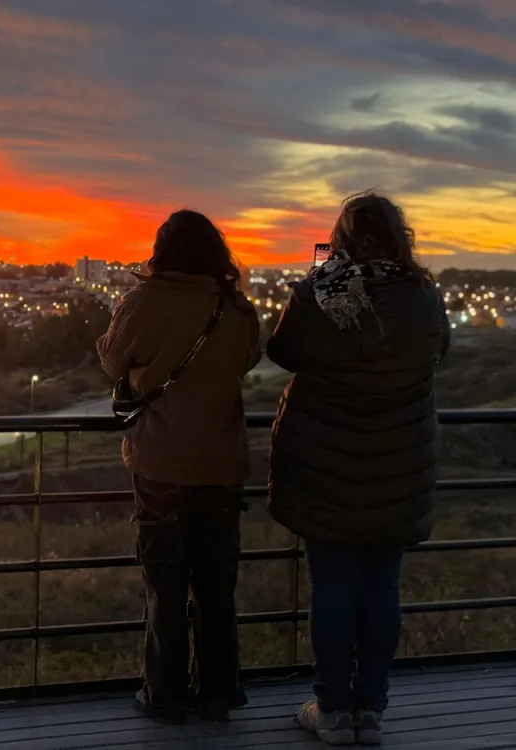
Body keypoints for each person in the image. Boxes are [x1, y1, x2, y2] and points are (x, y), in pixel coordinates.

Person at [267, 192, 450, 746]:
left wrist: (323, 274)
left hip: (326, 466)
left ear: (339, 240)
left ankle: (333, 709)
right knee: (382, 588)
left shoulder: (319, 292)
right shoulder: (423, 296)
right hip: (398, 466)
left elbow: (281, 350)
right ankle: (371, 710)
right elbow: (438, 351)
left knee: (333, 585)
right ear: (402, 237)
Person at [97, 209, 261, 723]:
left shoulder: (142, 302)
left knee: (165, 584)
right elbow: (249, 359)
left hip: (161, 463)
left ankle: (165, 693)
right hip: (220, 461)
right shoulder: (234, 307)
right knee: (215, 585)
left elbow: (111, 360)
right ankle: (218, 692)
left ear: (160, 250)